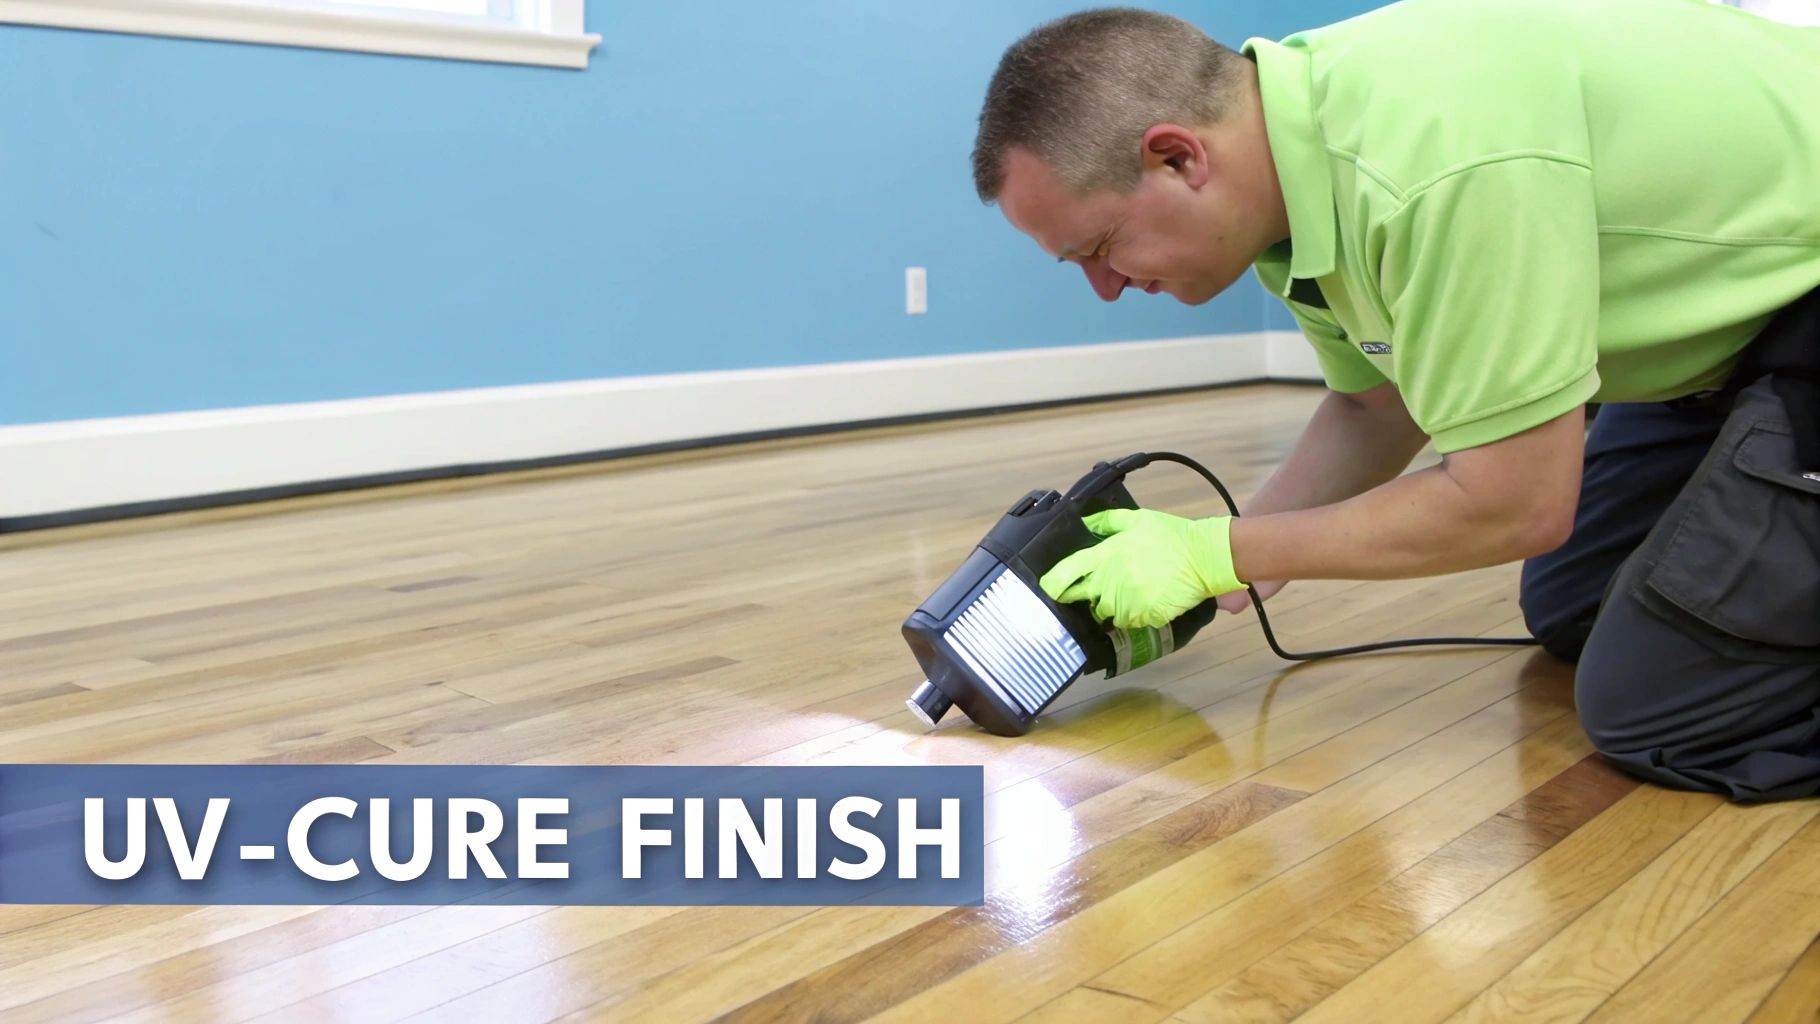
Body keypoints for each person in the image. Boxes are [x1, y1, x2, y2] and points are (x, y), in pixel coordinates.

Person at [970, 0, 1820, 801]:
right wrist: (1214, 583)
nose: (1105, 289)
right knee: (1573, 606)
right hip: (1740, 339)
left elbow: (1515, 504)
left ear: (1178, 156)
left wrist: (1217, 550)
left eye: (1101, 248)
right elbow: (1379, 405)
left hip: (1802, 311)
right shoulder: (1295, 186)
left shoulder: (1433, 159)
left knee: (1658, 709)